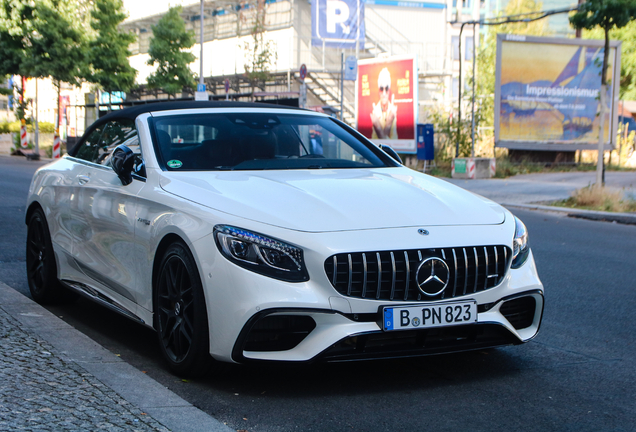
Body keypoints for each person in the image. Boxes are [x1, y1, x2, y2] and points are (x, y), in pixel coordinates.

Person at [370, 67, 398, 139]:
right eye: (382, 89)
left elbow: (393, 140)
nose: (384, 93)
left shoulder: (392, 110)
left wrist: (378, 125)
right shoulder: (375, 111)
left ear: (389, 91)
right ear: (379, 91)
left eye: (387, 88)